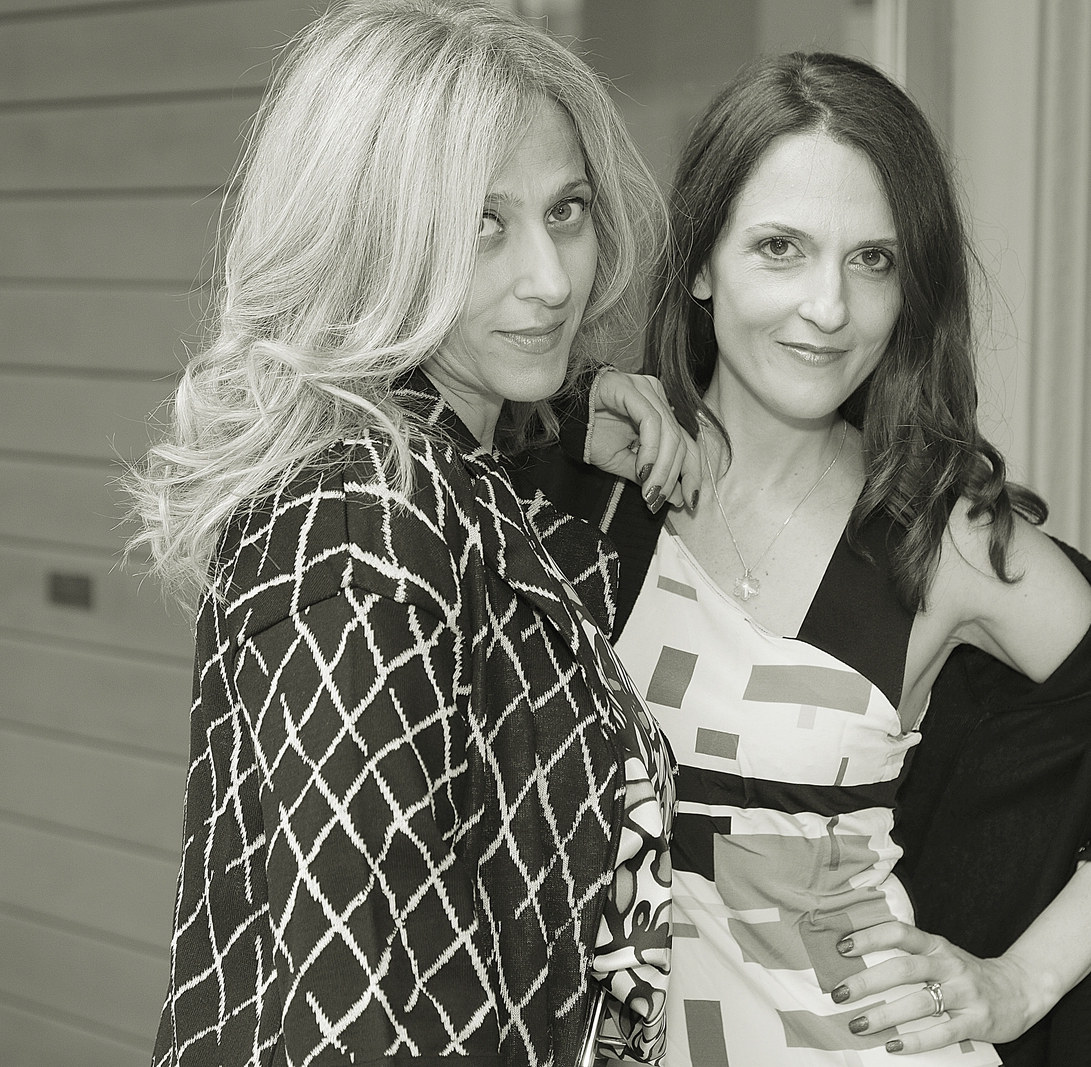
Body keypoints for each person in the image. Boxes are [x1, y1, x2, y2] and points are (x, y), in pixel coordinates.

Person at [523, 52, 1091, 1066]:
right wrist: (564, 403)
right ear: (699, 263)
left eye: (872, 260)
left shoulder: (940, 535)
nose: (828, 307)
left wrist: (1020, 981)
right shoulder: (592, 482)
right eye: (780, 248)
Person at [128, 3, 706, 1065]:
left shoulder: (446, 475)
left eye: (567, 210)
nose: (551, 278)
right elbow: (362, 1017)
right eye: (483, 223)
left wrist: (566, 407)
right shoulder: (360, 531)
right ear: (371, 238)